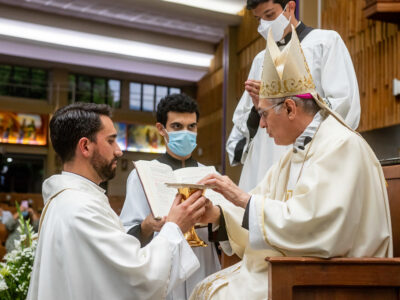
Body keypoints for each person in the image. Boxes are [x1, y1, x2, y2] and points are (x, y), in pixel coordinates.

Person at [190, 27, 392, 300]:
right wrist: (218, 215)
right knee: (205, 288)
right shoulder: (295, 154)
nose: (261, 125)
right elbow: (263, 204)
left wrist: (240, 198)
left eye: (263, 114)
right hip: (304, 271)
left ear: (289, 108)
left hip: (340, 282)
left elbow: (317, 229)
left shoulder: (340, 147)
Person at [27, 102, 208, 300]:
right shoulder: (81, 209)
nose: (119, 151)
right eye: (111, 141)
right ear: (85, 146)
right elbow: (139, 280)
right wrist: (174, 226)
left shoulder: (70, 200)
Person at [227, 0, 361, 192]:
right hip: (264, 162)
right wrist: (260, 109)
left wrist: (289, 99)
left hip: (308, 158)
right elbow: (240, 136)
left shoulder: (324, 42)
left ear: (290, 7)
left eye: (270, 15)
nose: (264, 24)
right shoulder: (259, 61)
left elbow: (343, 105)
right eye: (259, 19)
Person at [120, 93, 221, 300]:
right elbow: (126, 236)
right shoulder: (142, 175)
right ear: (161, 129)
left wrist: (217, 219)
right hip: (165, 269)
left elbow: (228, 230)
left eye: (191, 126)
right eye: (177, 127)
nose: (186, 132)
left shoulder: (211, 175)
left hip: (204, 265)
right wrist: (147, 226)